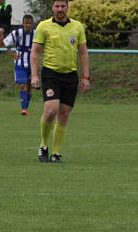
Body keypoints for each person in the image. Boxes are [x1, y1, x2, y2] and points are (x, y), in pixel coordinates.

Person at [30, 0, 91, 163]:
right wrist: (34, 75)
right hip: (51, 73)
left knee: (64, 114)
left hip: (70, 75)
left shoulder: (77, 27)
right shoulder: (43, 26)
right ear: (52, 8)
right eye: (57, 6)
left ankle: (55, 153)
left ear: (67, 8)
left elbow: (83, 53)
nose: (60, 9)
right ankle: (43, 145)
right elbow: (35, 52)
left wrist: (86, 77)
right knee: (51, 110)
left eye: (63, 6)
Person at [3, 13, 34, 116]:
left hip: (32, 65)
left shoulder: (37, 34)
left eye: (30, 23)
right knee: (23, 85)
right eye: (26, 23)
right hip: (20, 64)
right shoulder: (17, 33)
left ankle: (26, 107)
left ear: (32, 24)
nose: (28, 25)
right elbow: (6, 42)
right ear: (23, 23)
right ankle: (24, 109)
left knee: (29, 87)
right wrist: (12, 54)